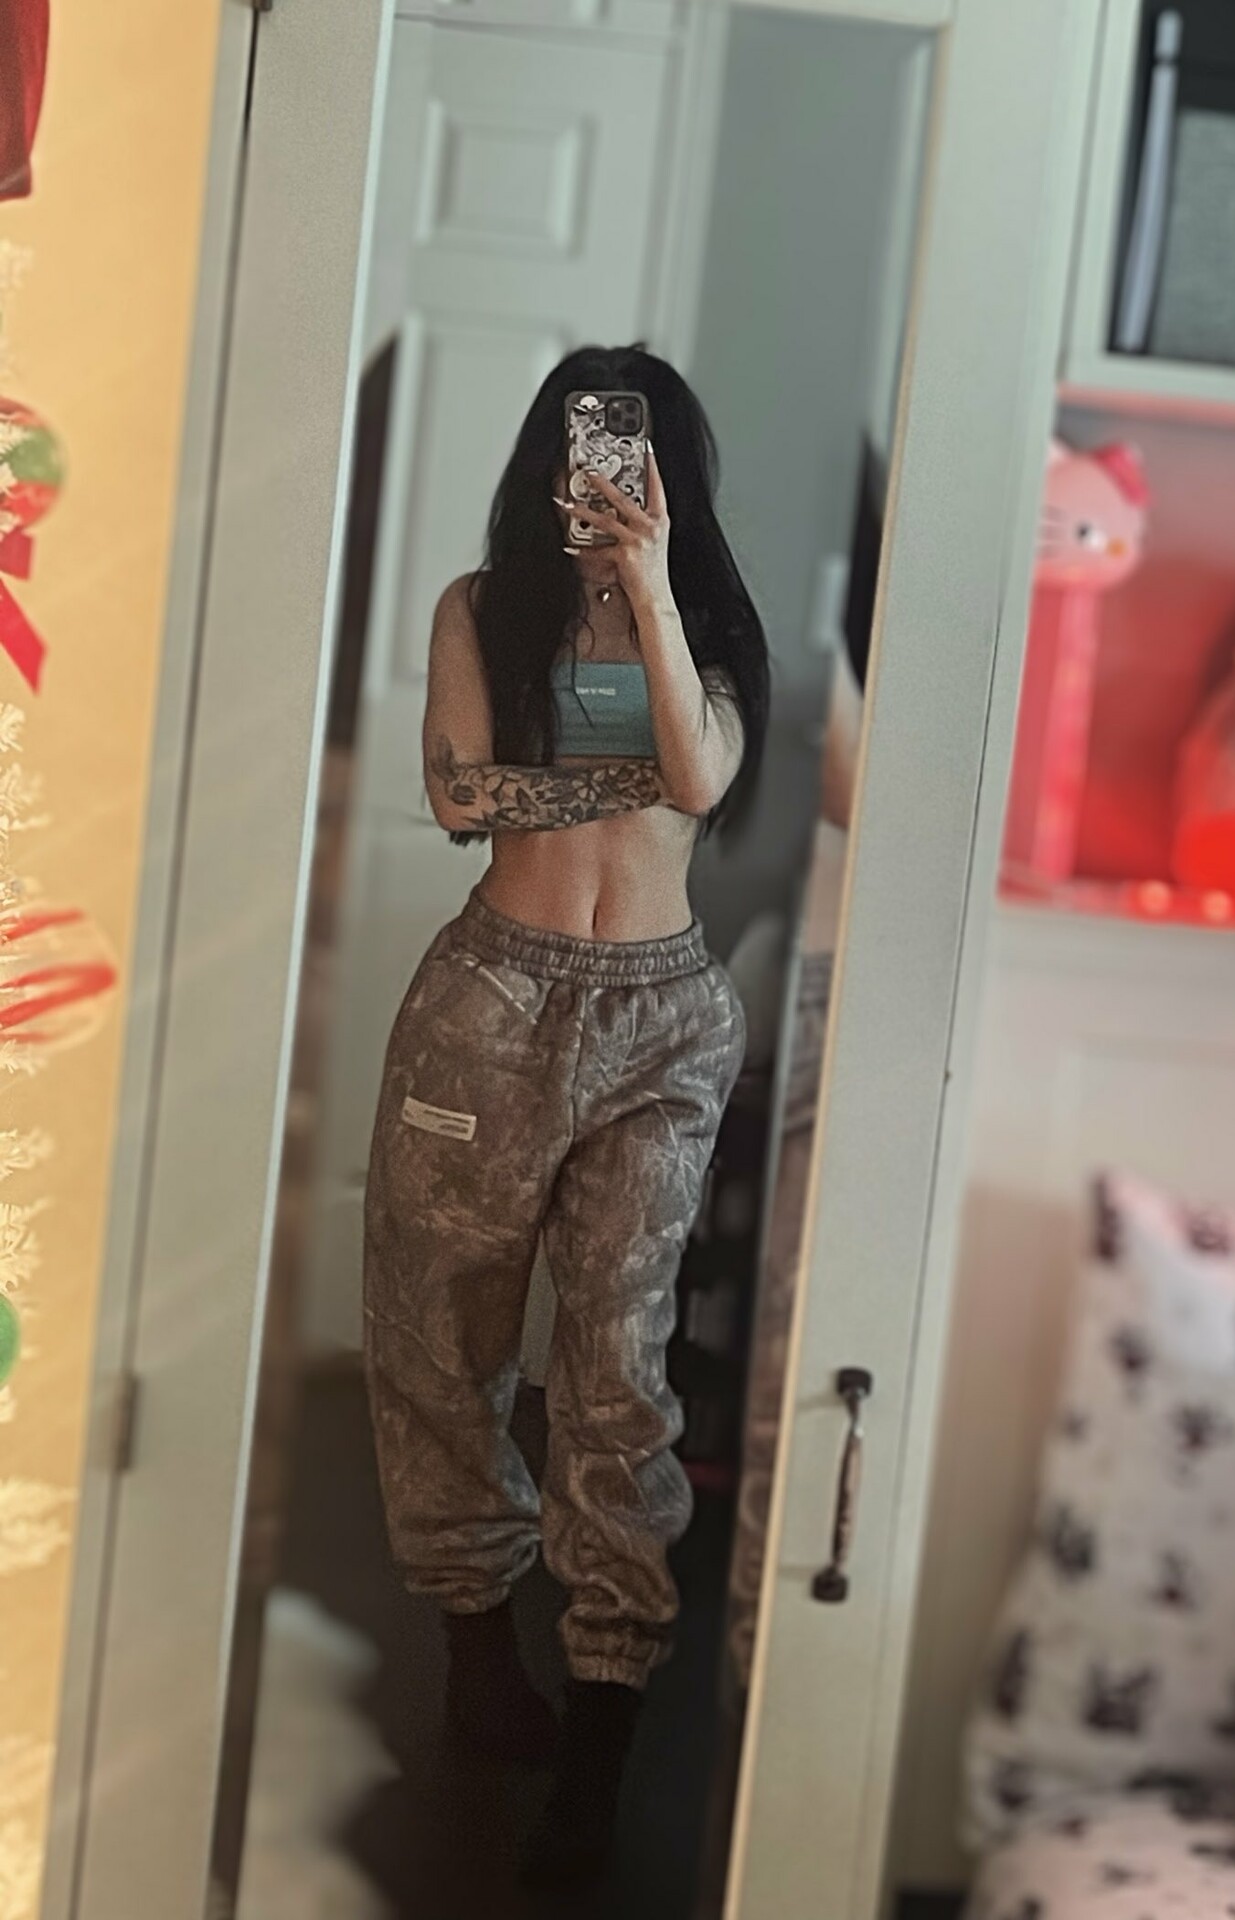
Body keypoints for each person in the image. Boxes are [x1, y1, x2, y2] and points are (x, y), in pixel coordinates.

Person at [362, 344, 770, 1887]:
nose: (603, 476)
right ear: (547, 458)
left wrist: (648, 584)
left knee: (616, 1370)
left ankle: (603, 1725)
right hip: (493, 1001)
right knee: (439, 1337)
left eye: (635, 454)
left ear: (675, 476)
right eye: (584, 447)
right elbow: (461, 798)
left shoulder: (709, 623)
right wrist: (610, 783)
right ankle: (479, 1653)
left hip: (661, 1022)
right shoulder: (484, 608)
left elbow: (700, 776)